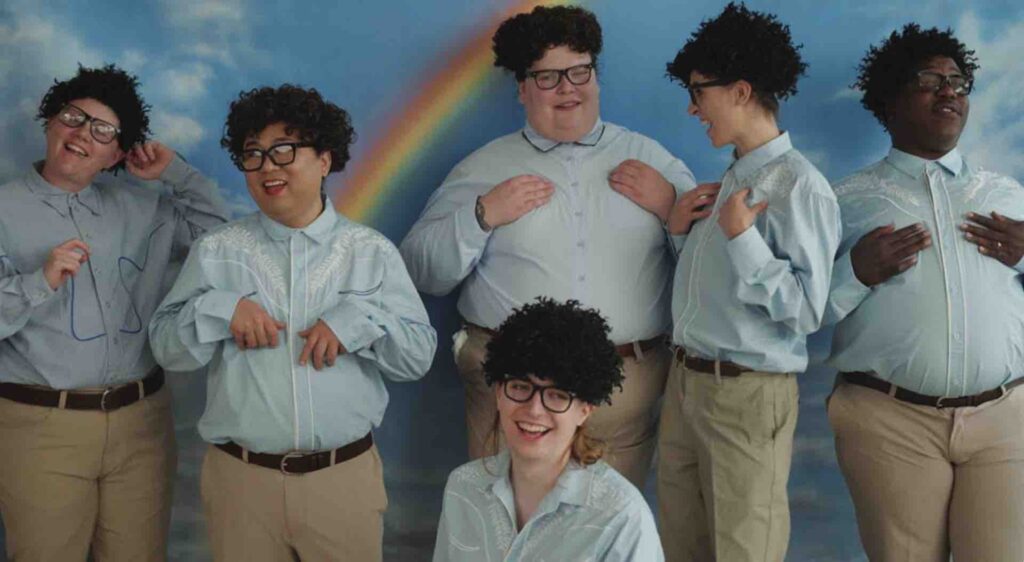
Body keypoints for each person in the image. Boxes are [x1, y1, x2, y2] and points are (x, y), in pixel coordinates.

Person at [400, 4, 695, 488]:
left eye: (580, 71)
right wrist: (482, 214)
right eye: (548, 77)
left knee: (607, 546)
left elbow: (713, 269)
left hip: (623, 405)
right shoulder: (483, 167)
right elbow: (420, 271)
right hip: (515, 401)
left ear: (596, 77)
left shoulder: (652, 159)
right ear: (521, 88)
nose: (568, 89)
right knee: (508, 542)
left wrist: (670, 209)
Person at [148, 84, 437, 562]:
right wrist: (220, 308)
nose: (267, 167)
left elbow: (417, 358)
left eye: (284, 151)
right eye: (253, 155)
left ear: (325, 159)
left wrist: (358, 320)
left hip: (343, 482)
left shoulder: (371, 252)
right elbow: (165, 348)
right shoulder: (217, 251)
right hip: (241, 483)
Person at [0, 64, 228, 561]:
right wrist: (37, 284)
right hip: (40, 427)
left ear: (117, 155)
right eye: (74, 117)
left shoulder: (142, 207)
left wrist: (175, 173)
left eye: (103, 131)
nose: (83, 133)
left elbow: (222, 242)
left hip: (141, 425)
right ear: (50, 122)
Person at [825, 23, 1024, 561]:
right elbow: (794, 313)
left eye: (958, 82)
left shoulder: (1007, 194)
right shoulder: (842, 202)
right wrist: (856, 272)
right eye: (930, 80)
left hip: (1006, 420)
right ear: (890, 99)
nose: (949, 92)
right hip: (889, 423)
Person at [657, 4, 840, 561]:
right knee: (681, 547)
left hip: (746, 394)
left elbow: (807, 312)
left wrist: (742, 237)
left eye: (699, 92)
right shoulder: (736, 176)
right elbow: (722, 291)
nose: (692, 108)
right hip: (685, 385)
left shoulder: (801, 187)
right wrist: (681, 234)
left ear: (740, 90)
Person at [433, 298, 663, 561]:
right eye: (520, 386)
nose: (534, 410)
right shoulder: (463, 488)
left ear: (585, 409)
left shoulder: (621, 517)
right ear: (498, 393)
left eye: (556, 395)